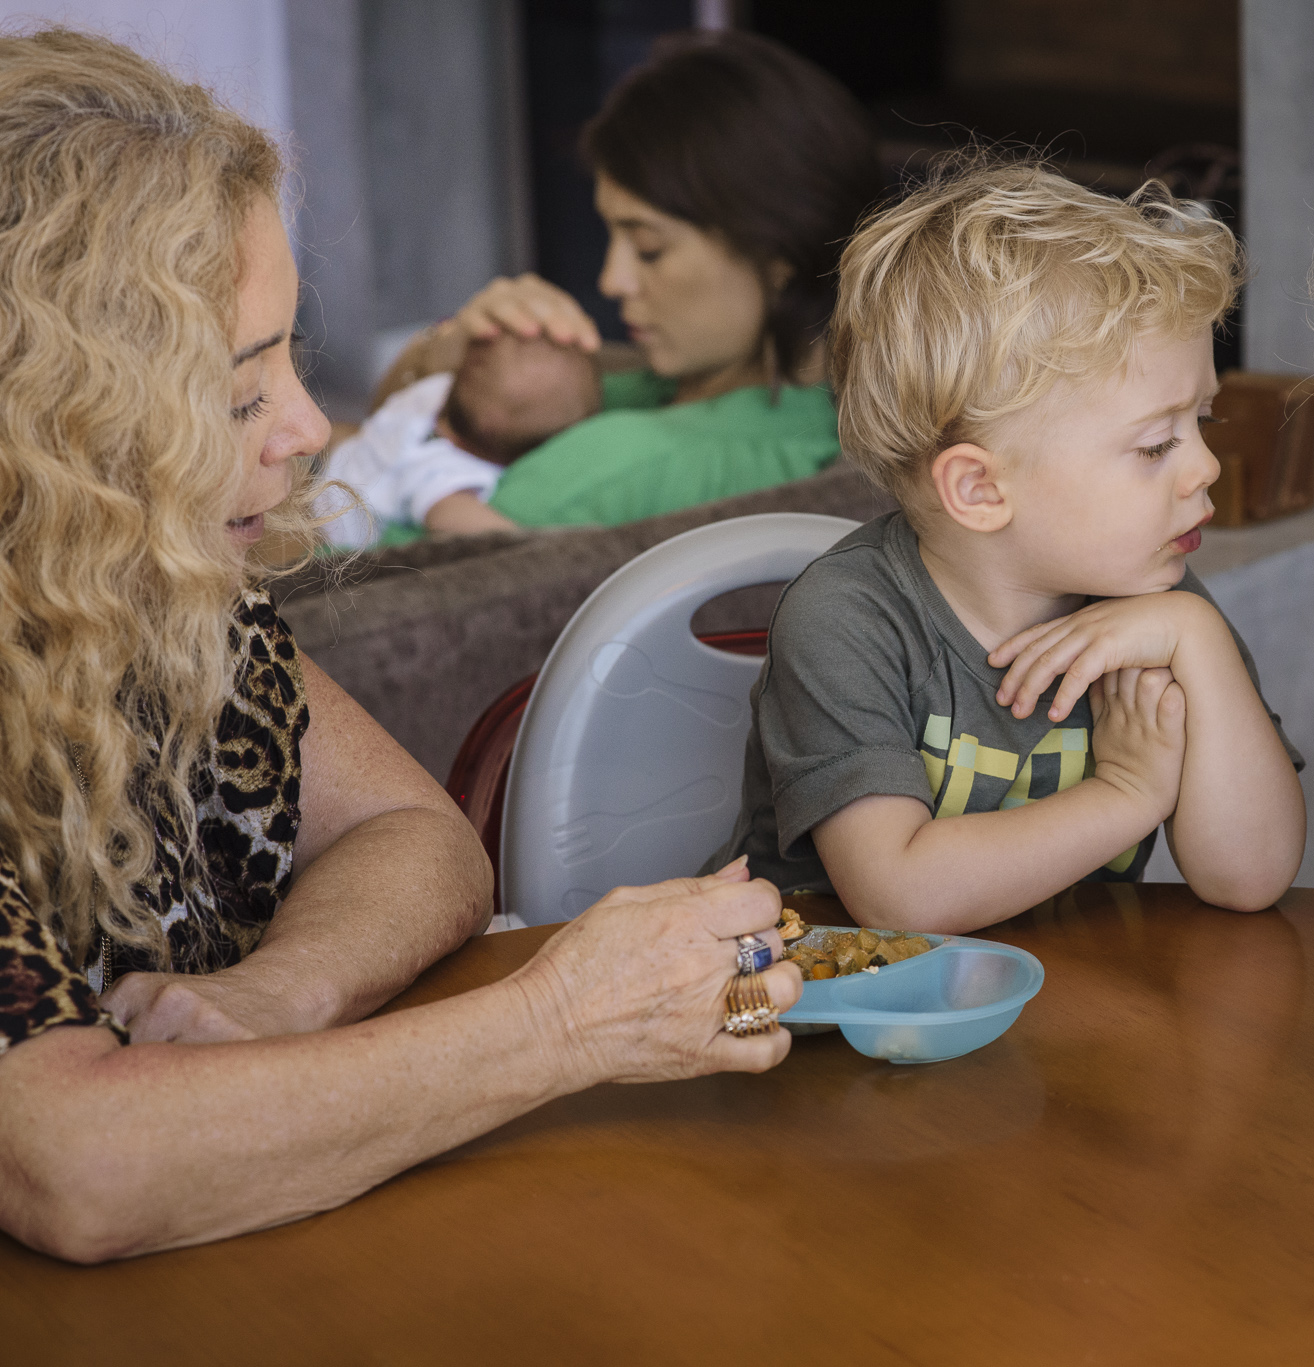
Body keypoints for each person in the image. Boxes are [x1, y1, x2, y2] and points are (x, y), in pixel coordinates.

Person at [0, 28, 802, 1263]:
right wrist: (566, 1021)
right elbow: (80, 1166)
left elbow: (415, 833)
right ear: (49, 425)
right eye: (234, 392)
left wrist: (274, 995)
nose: (310, 426)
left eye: (288, 361)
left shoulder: (157, 595)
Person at [707, 163, 1308, 931]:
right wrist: (1126, 793)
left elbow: (1250, 875)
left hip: (1066, 1008)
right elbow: (899, 898)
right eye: (1157, 444)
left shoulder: (1155, 603)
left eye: (1205, 422)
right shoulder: (846, 622)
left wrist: (1202, 640)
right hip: (829, 1016)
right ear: (982, 490)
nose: (1207, 466)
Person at [354, 28, 878, 545]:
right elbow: (382, 434)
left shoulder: (626, 461)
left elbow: (356, 569)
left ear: (776, 256)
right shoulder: (715, 395)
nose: (610, 281)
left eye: (649, 248)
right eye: (609, 234)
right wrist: (451, 348)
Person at [320, 334, 601, 550]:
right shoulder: (450, 469)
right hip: (323, 518)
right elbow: (451, 517)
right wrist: (544, 550)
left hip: (326, 505)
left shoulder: (434, 396)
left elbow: (448, 515)